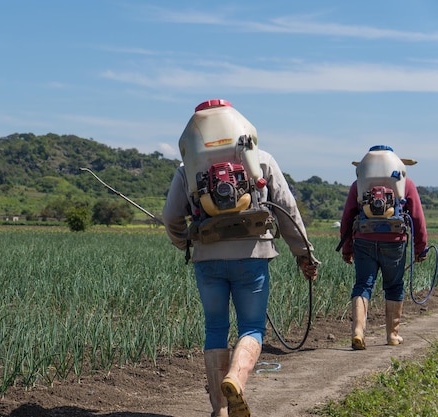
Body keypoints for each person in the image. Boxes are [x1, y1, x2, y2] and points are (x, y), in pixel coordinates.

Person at [162, 99, 319, 417]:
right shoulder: (262, 160)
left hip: (208, 258)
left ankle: (219, 410)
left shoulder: (188, 169)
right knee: (251, 327)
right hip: (253, 255)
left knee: (215, 328)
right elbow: (287, 211)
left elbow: (170, 217)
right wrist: (304, 254)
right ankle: (235, 378)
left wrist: (184, 243)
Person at [339, 145, 427, 351]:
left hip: (364, 239)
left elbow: (347, 219)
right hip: (394, 241)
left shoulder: (358, 185)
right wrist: (420, 248)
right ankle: (392, 335)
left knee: (363, 285)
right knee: (394, 286)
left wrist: (347, 248)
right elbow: (417, 217)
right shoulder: (406, 184)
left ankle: (358, 331)